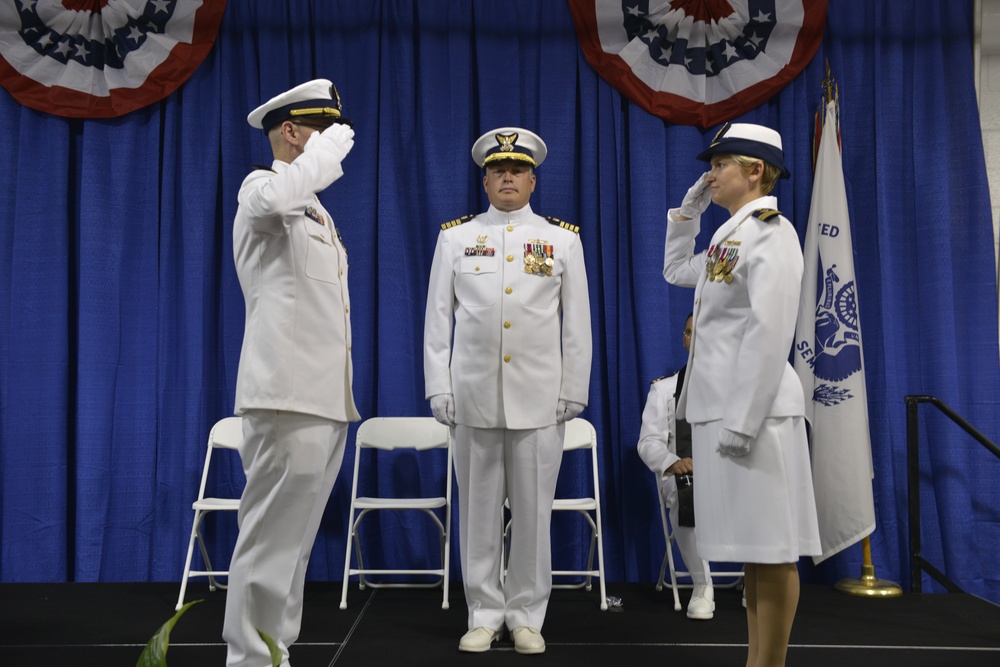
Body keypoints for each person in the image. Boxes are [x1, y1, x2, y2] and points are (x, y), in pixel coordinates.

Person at [423, 127, 592, 655]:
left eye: (517, 170)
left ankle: (525, 615)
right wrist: (438, 386)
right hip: (471, 396)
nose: (507, 179)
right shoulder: (455, 237)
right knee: (476, 514)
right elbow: (436, 319)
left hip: (540, 398)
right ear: (485, 180)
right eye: (498, 171)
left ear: (533, 179)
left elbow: (577, 325)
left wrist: (573, 389)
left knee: (533, 514)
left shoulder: (562, 239)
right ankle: (483, 611)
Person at [662, 123, 821, 667]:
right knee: (753, 553)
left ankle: (768, 663)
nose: (710, 174)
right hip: (723, 412)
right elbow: (676, 270)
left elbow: (770, 331)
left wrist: (743, 420)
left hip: (754, 417)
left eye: (721, 164)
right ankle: (758, 659)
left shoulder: (772, 232)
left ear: (755, 170)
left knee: (772, 551)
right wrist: (687, 217)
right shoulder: (729, 236)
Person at [223, 79, 360, 667]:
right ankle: (249, 661)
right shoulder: (262, 188)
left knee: (294, 548)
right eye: (322, 130)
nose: (334, 143)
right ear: (291, 131)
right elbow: (274, 201)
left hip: (323, 397)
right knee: (268, 544)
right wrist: (325, 154)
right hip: (284, 393)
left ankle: (275, 656)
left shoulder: (315, 210)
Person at [636, 313, 715, 620]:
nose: (696, 338)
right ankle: (702, 585)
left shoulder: (737, 388)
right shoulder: (665, 390)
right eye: (690, 332)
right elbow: (648, 442)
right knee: (687, 490)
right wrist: (672, 462)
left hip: (727, 473)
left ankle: (756, 583)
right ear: (684, 339)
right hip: (685, 473)